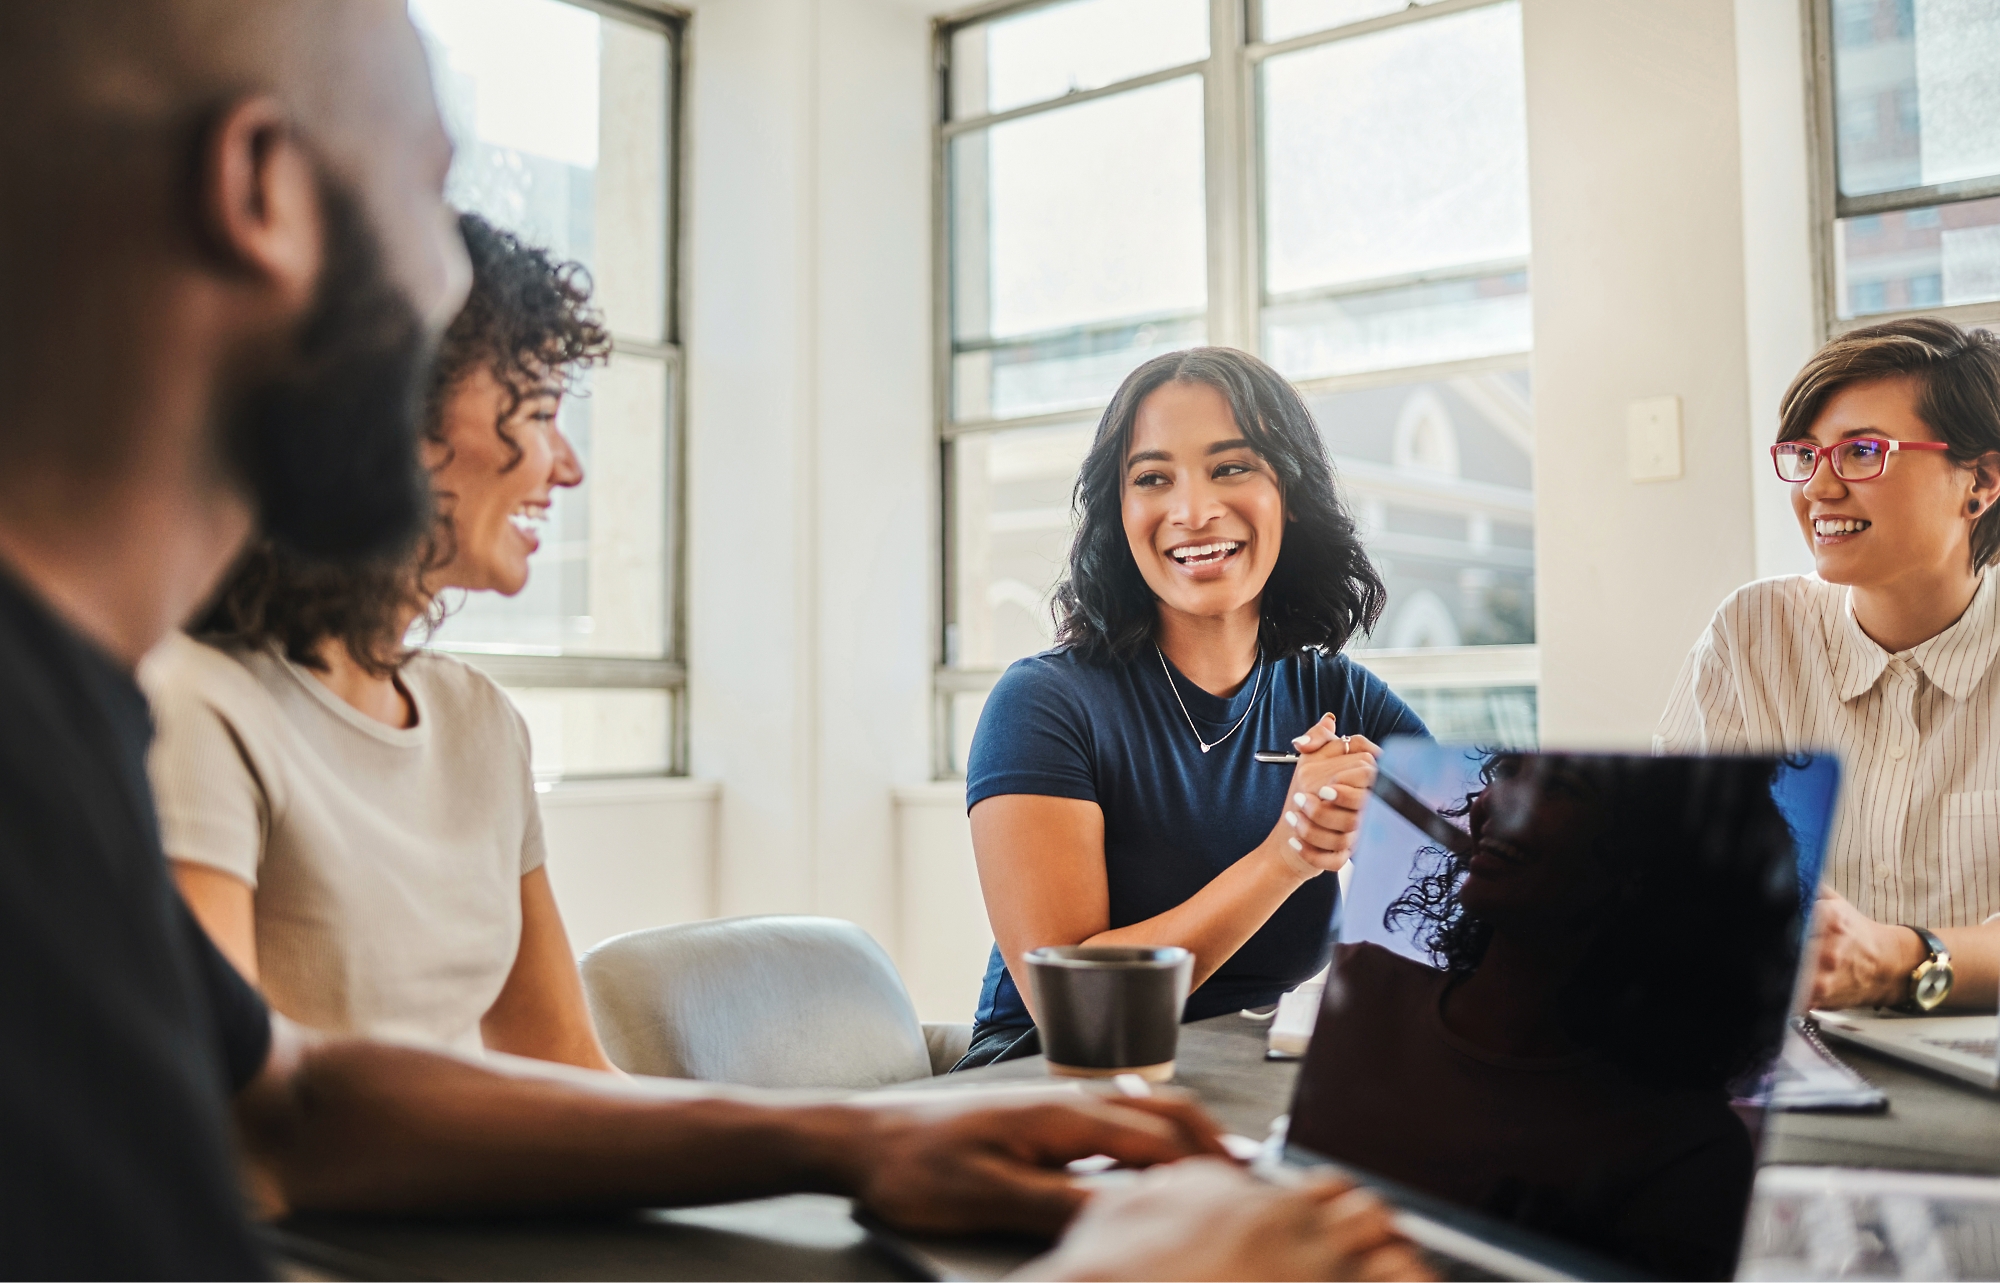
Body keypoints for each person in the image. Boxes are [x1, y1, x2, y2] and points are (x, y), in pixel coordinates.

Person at [0, 2, 1417, 1277]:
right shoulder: (114, 734)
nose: (563, 456)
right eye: (434, 198)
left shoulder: (82, 710)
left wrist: (853, 1143)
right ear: (265, 194)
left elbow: (289, 1097)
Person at [145, 212, 613, 1070]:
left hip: (482, 1207)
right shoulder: (196, 706)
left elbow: (568, 1061)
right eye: (540, 408)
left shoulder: (481, 722)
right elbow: (247, 1111)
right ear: (404, 412)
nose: (567, 465)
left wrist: (808, 1150)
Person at [960, 347, 1427, 1069]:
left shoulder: (1340, 697)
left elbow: (1490, 878)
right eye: (1153, 478)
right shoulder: (1043, 704)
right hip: (1056, 1079)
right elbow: (1074, 1003)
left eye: (1231, 467)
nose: (1193, 510)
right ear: (1120, 511)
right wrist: (1290, 853)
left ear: (1290, 491)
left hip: (1252, 1074)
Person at [1291, 753, 1801, 1279]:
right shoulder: (1359, 984)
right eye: (1509, 772)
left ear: (1649, 865)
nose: (1495, 801)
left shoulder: (1687, 1153)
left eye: (1562, 787)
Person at [1657, 319, 2000, 1013]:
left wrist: (1899, 958)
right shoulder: (1752, 637)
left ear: (1982, 481)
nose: (1819, 487)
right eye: (1805, 454)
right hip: (1786, 1061)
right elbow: (1674, 866)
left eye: (1863, 451)